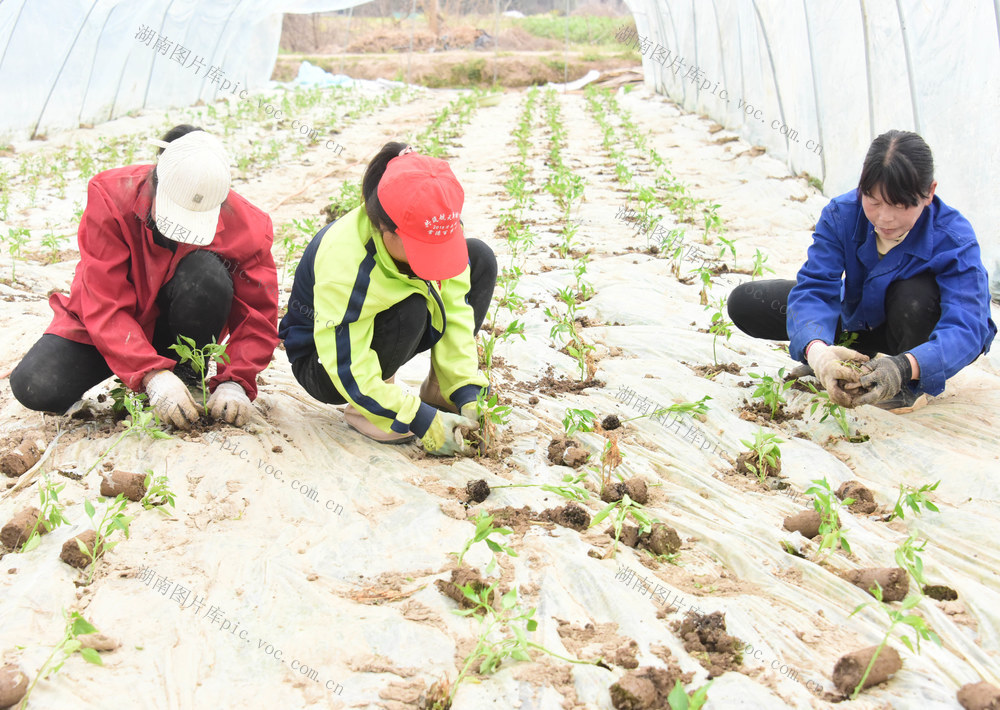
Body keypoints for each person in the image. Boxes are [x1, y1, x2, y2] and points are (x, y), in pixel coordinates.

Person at [10, 126, 279, 428]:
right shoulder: (112, 197)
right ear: (156, 178)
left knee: (206, 274)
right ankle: (157, 377)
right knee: (35, 385)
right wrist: (151, 375)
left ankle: (186, 374)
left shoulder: (248, 224)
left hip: (174, 331)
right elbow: (103, 302)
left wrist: (236, 381)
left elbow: (258, 316)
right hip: (108, 328)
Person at [727, 130, 996, 411]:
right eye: (874, 201)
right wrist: (818, 353)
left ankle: (908, 384)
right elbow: (816, 287)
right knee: (748, 301)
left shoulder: (953, 237)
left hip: (910, 332)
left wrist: (903, 367)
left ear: (929, 192)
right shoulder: (842, 214)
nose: (884, 217)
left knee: (915, 296)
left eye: (900, 205)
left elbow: (968, 326)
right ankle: (849, 356)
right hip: (854, 318)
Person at [279, 141, 497, 456]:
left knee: (479, 257)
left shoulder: (438, 226)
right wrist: (415, 416)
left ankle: (440, 391)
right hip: (325, 362)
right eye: (422, 249)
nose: (432, 262)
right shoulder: (345, 262)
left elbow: (457, 311)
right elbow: (347, 366)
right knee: (410, 307)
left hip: (383, 331)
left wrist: (465, 390)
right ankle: (366, 410)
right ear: (385, 229)